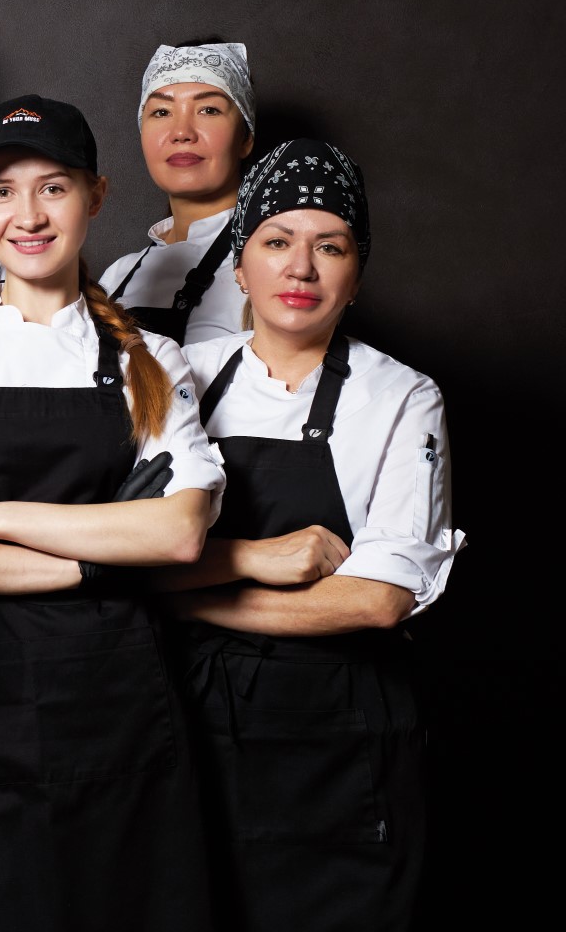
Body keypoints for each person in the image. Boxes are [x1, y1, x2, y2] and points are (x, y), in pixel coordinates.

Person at [0, 94, 225, 931]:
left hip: (115, 712)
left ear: (96, 196)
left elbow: (179, 531)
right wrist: (95, 559)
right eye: (1, 191)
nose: (27, 216)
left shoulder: (149, 360)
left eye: (54, 188)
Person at [160, 139, 460, 931]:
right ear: (239, 265)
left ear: (356, 275)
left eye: (330, 246)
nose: (301, 268)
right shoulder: (178, 375)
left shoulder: (403, 398)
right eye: (277, 241)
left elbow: (376, 601)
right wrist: (258, 561)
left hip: (340, 744)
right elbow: (125, 552)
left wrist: (188, 600)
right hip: (184, 725)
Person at [100, 41, 256, 344]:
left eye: (208, 110)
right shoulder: (118, 275)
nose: (182, 132)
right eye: (161, 112)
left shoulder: (273, 268)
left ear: (246, 138)